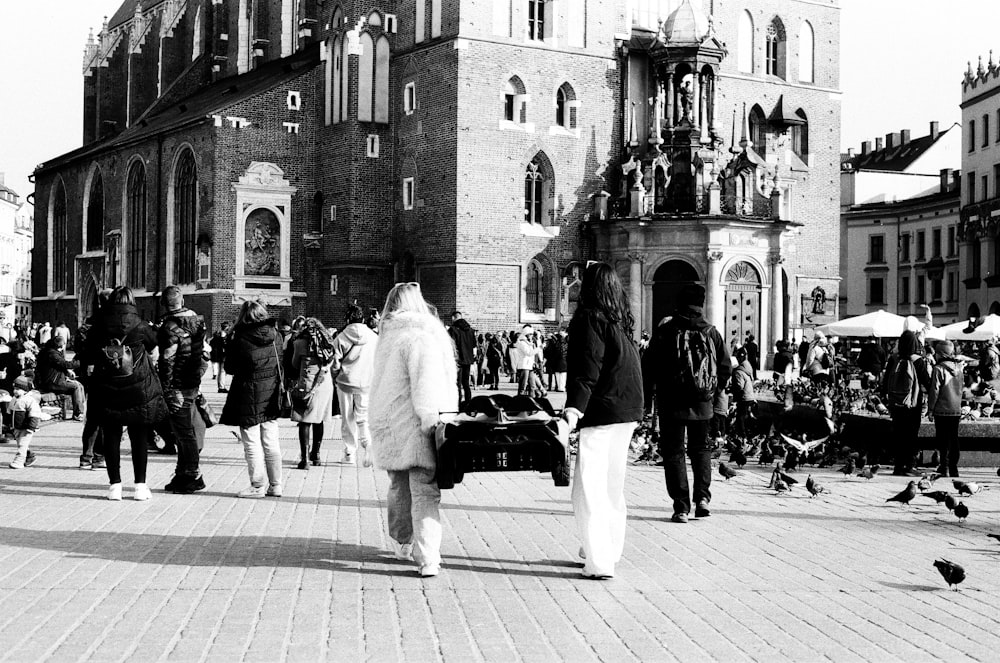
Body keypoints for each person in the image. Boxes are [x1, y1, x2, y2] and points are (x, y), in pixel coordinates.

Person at [369, 283, 458, 577]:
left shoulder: (387, 335)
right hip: (417, 424)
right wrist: (431, 420)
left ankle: (401, 541)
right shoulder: (422, 335)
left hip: (389, 422)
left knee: (398, 485)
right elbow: (427, 384)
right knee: (424, 491)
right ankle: (428, 556)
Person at [561, 263, 643, 579]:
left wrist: (573, 410)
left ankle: (598, 560)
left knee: (589, 487)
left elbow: (587, 368)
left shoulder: (589, 318)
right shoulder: (620, 321)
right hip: (627, 409)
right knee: (612, 484)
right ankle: (610, 547)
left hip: (602, 410)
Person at [642, 283, 730, 523]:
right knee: (701, 450)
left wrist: (649, 398)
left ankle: (681, 506)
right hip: (703, 404)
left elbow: (649, 367)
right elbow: (725, 367)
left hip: (671, 403)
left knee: (674, 453)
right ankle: (702, 499)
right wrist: (712, 390)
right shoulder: (711, 332)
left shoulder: (666, 330)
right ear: (700, 304)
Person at [85, 286, 169, 501]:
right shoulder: (141, 326)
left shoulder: (99, 325)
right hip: (138, 389)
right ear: (132, 302)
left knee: (111, 436)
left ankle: (115, 487)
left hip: (107, 388)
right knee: (139, 437)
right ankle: (140, 486)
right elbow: (155, 344)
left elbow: (87, 352)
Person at [221, 300, 284, 498]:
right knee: (271, 441)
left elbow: (229, 368)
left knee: (251, 442)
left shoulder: (239, 337)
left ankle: (257, 485)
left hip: (247, 392)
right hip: (271, 392)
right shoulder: (276, 335)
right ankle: (276, 485)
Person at [158, 286, 209, 495]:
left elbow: (167, 360)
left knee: (184, 432)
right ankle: (181, 474)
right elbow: (203, 352)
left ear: (164, 303)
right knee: (182, 431)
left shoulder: (169, 327)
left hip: (177, 385)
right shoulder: (197, 321)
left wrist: (167, 387)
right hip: (192, 381)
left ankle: (193, 475)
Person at [332, 305, 378, 467]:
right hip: (367, 381)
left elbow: (335, 362)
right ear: (363, 319)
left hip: (345, 381)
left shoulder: (341, 337)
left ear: (347, 319)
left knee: (347, 417)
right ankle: (368, 444)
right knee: (363, 416)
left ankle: (350, 452)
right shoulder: (373, 337)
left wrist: (335, 375)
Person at [290, 317, 336, 468]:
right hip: (325, 384)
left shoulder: (299, 343)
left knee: (305, 421)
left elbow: (295, 364)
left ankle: (304, 459)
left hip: (307, 385)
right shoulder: (328, 344)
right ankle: (316, 455)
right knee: (319, 419)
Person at [74, 288, 111, 470]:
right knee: (104, 418)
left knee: (92, 418)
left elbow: (79, 350)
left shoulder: (86, 326)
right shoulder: (110, 326)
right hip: (106, 377)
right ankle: (98, 457)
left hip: (89, 377)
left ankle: (86, 457)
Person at [883, 330, 930, 476]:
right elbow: (927, 382)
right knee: (911, 434)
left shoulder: (893, 359)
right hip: (913, 404)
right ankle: (909, 466)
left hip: (896, 403)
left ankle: (898, 466)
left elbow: (885, 382)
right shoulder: (918, 360)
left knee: (898, 433)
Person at [927, 340, 964, 477]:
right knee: (954, 438)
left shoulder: (938, 369)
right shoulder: (959, 369)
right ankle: (954, 468)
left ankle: (945, 467)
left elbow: (934, 391)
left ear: (940, 353)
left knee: (943, 439)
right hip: (956, 409)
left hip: (942, 410)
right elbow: (961, 389)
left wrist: (930, 409)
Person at [35, 334, 86, 421]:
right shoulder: (52, 354)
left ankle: (80, 411)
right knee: (76, 387)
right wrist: (81, 362)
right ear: (61, 345)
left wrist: (67, 372)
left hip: (54, 380)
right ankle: (78, 413)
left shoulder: (51, 352)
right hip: (52, 382)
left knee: (79, 385)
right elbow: (65, 364)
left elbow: (60, 366)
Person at [7, 376, 40, 469]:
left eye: (18, 389)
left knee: (22, 445)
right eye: (14, 389)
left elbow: (34, 414)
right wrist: (8, 423)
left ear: (25, 390)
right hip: (16, 427)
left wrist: (31, 427)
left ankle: (18, 462)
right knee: (21, 444)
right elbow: (9, 412)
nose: (15, 391)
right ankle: (30, 456)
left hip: (26, 428)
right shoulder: (14, 399)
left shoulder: (29, 400)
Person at [448, 311, 476, 406]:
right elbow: (473, 345)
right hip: (468, 359)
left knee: (457, 384)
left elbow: (451, 345)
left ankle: (458, 403)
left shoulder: (453, 329)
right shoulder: (470, 330)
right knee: (466, 383)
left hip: (458, 360)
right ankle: (468, 402)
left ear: (453, 318)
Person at [731, 347, 756, 438]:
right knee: (747, 416)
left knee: (740, 418)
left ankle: (742, 436)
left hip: (744, 397)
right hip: (750, 395)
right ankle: (750, 434)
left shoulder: (738, 372)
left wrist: (731, 389)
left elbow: (739, 386)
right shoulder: (747, 368)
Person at [209, 322, 230, 393]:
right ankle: (221, 387)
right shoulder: (224, 336)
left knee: (221, 371)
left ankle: (221, 386)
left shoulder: (217, 335)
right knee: (222, 371)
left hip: (219, 355)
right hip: (223, 355)